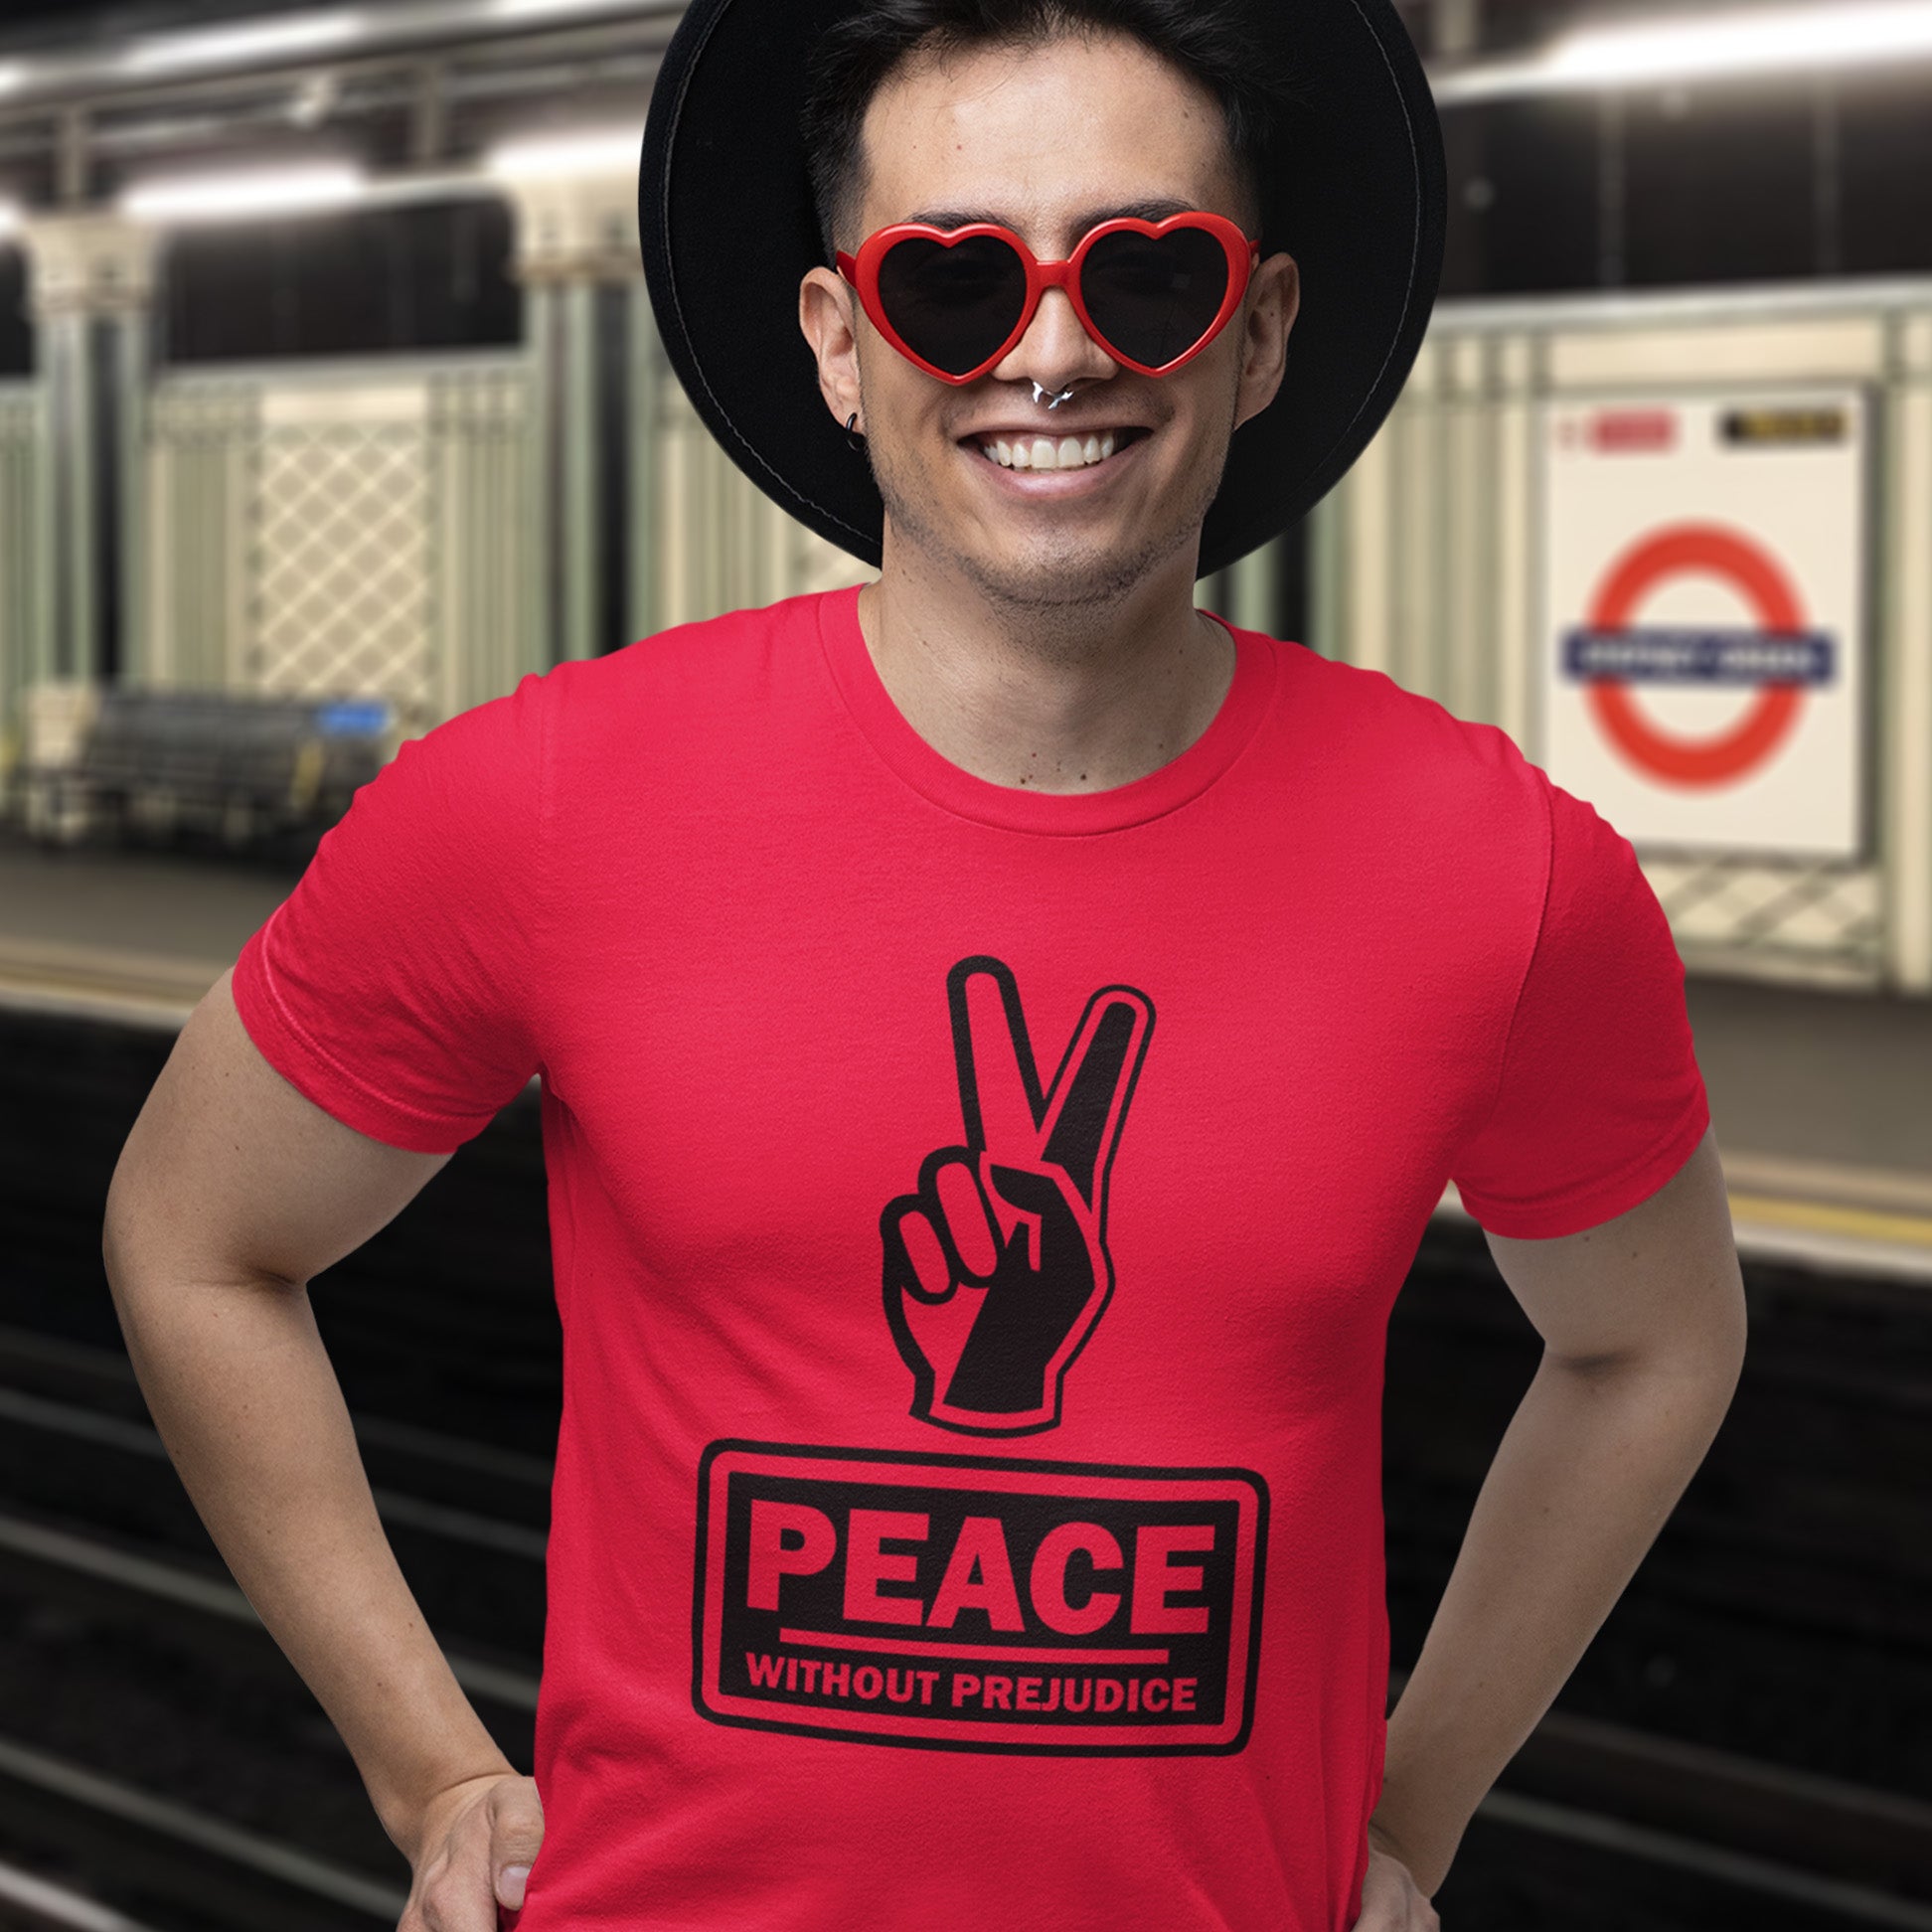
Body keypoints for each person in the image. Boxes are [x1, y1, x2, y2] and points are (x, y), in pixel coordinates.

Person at [101, 0, 1748, 1927]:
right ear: (840, 344)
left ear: (1265, 328)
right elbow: (195, 1234)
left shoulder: (1507, 878)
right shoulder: (545, 806)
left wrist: (1406, 1810)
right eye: (956, 284)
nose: (1053, 346)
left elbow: (1654, 1340)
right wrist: (431, 1769)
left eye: (1146, 271)